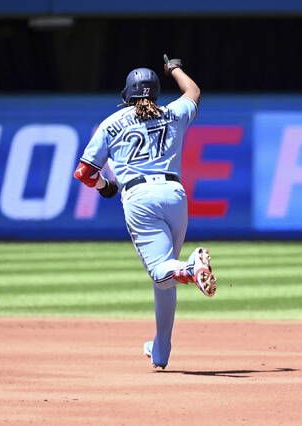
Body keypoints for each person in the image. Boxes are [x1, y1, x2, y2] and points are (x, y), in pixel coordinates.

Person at [73, 54, 217, 370]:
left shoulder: (112, 123)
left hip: (139, 197)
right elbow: (193, 93)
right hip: (175, 194)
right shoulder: (172, 113)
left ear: (126, 95)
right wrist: (176, 69)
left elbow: (84, 172)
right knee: (165, 275)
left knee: (160, 270)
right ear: (156, 93)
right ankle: (161, 350)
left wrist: (104, 186)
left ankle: (192, 268)